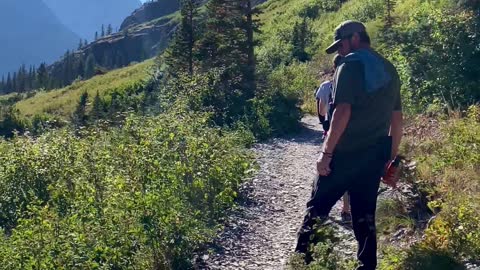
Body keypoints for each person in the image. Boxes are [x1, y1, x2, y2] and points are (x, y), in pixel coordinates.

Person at [295, 20, 403, 270]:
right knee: (365, 216)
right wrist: (390, 159)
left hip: (343, 156)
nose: (340, 51)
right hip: (374, 156)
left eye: (341, 45)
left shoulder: (350, 65)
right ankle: (366, 267)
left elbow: (342, 112)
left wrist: (326, 152)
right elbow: (397, 120)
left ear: (355, 38)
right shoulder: (389, 68)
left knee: (317, 210)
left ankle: (302, 263)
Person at [315, 54, 352, 223]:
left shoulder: (325, 87)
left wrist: (324, 123)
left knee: (325, 169)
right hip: (352, 136)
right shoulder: (355, 85)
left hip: (331, 132)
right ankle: (346, 208)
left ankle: (320, 210)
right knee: (347, 170)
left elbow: (321, 112)